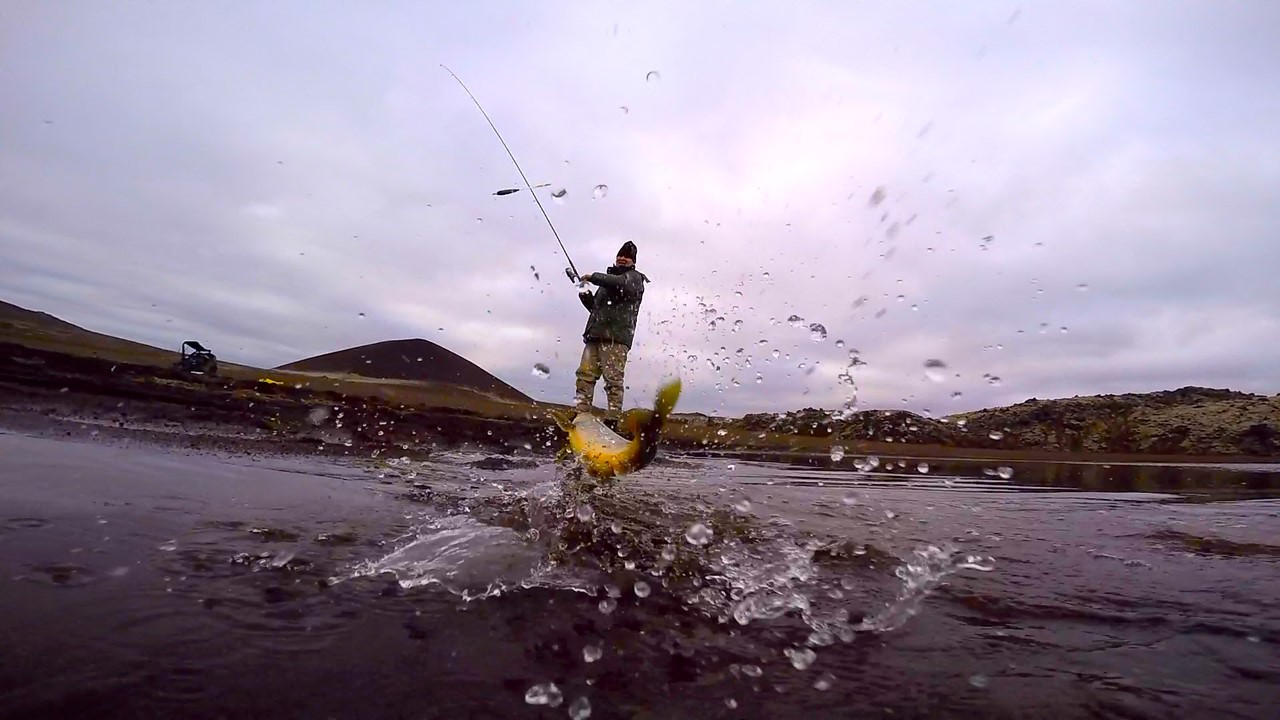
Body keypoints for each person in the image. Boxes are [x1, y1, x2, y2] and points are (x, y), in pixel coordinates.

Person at [574, 241, 648, 414]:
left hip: (616, 339)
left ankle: (613, 419)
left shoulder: (635, 278)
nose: (622, 258)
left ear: (633, 262)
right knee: (584, 376)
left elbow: (620, 283)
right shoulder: (608, 284)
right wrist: (583, 292)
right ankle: (581, 414)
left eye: (627, 257)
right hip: (595, 336)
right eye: (620, 255)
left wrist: (593, 276)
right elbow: (595, 309)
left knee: (613, 381)